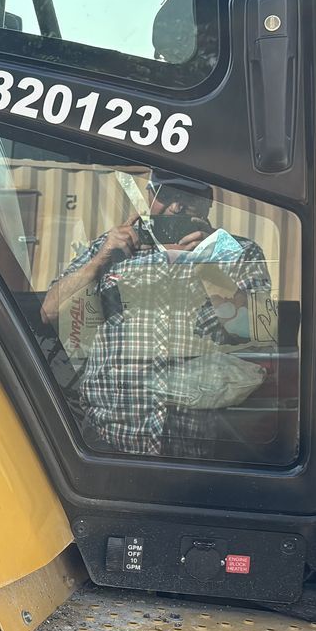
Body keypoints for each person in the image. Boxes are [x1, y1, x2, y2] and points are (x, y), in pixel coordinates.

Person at [39, 176, 276, 458]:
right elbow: (50, 311)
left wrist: (207, 265)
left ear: (208, 203)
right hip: (107, 440)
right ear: (150, 195)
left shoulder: (234, 251)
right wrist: (99, 261)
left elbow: (259, 331)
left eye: (189, 196)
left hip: (197, 444)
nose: (176, 207)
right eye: (168, 195)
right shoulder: (115, 246)